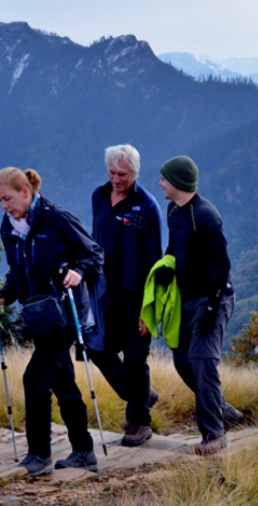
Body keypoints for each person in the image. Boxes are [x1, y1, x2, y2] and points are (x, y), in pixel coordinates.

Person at [0, 167, 103, 477]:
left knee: (35, 378)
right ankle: (83, 450)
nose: (3, 206)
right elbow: (17, 272)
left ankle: (39, 454)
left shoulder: (56, 218)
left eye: (7, 198)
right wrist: (3, 296)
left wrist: (80, 272)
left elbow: (93, 254)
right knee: (63, 382)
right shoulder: (8, 226)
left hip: (65, 311)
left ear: (26, 192)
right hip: (38, 315)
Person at [150, 155, 235, 456]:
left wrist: (212, 308)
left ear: (177, 182)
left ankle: (214, 435)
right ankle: (223, 410)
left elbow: (223, 265)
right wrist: (166, 266)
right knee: (183, 361)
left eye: (163, 178)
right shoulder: (174, 210)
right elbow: (174, 247)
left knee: (201, 359)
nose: (159, 183)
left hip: (213, 297)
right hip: (185, 298)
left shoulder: (205, 216)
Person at [88, 145, 162, 447]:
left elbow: (154, 258)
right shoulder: (99, 196)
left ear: (135, 172)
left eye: (123, 174)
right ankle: (140, 394)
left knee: (135, 355)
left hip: (135, 293)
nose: (117, 178)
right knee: (97, 348)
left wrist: (149, 308)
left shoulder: (147, 206)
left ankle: (139, 422)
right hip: (104, 289)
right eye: (113, 172)